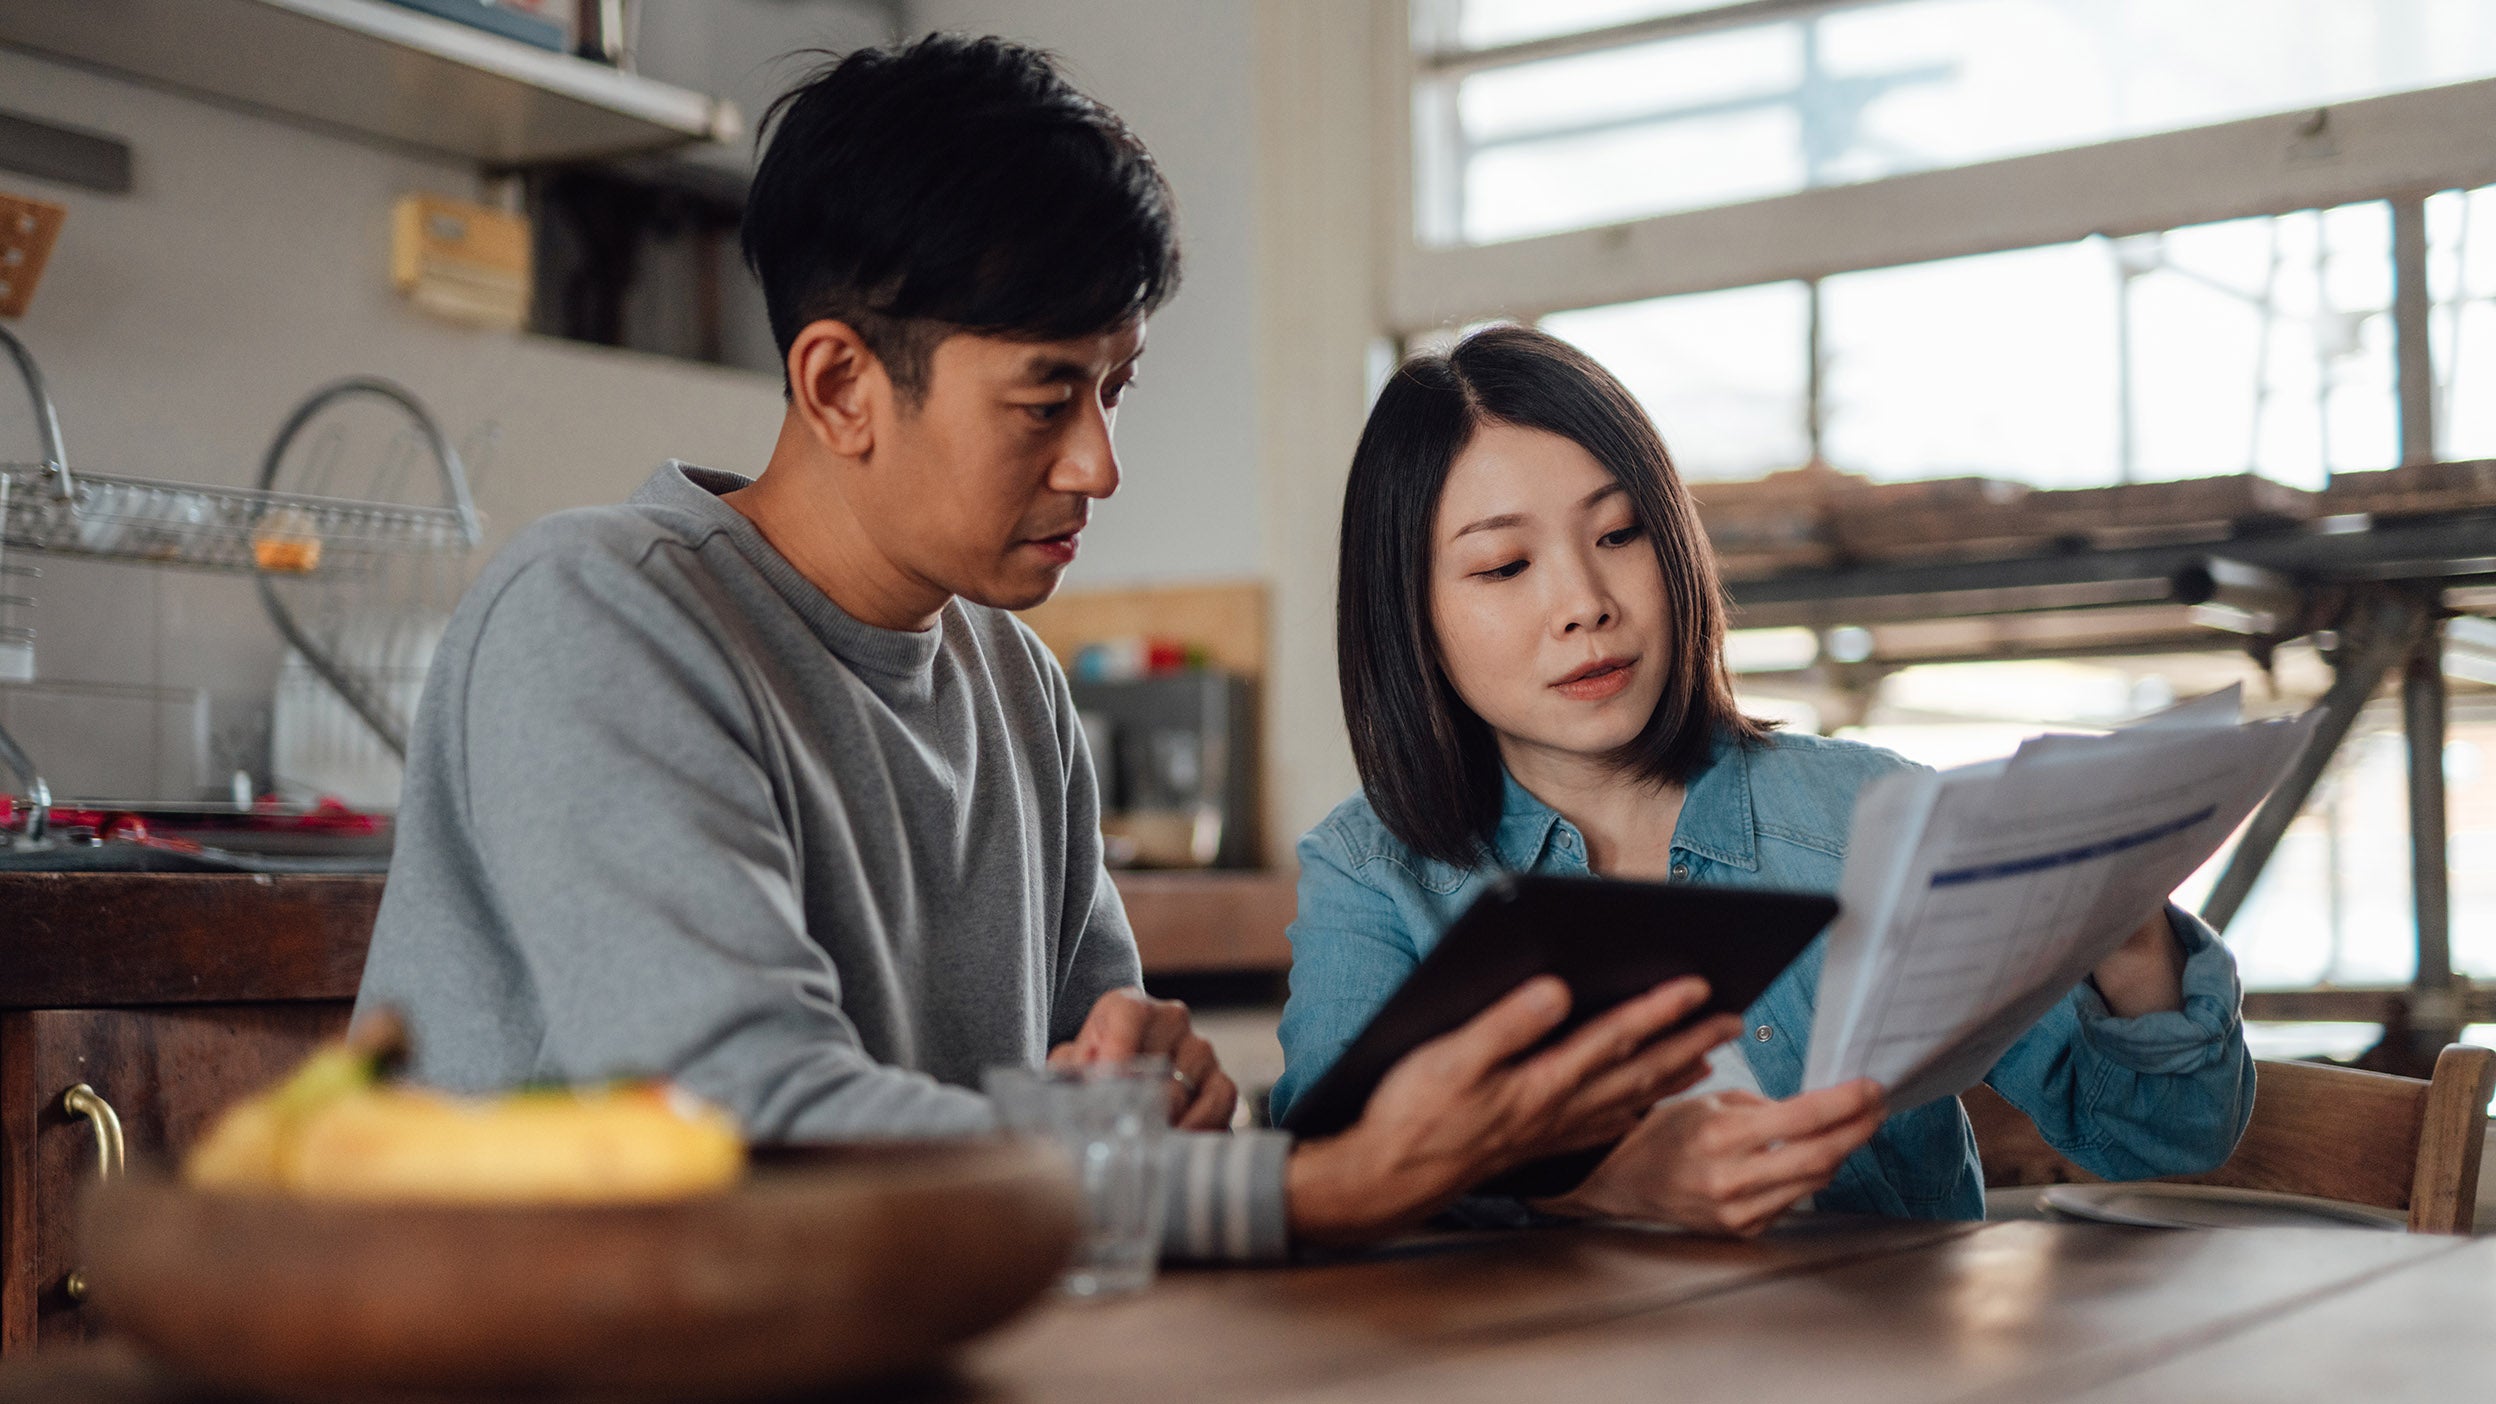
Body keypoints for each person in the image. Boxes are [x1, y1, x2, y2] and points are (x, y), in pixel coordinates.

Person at [354, 37, 1737, 1259]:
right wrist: (1307, 1190)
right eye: (1047, 397)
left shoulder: (1013, 685)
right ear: (841, 384)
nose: (1100, 462)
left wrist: (1162, 1089)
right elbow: (748, 1126)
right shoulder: (597, 614)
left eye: (1117, 386)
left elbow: (1103, 1085)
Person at [1268, 325, 2256, 1235]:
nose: (1584, 604)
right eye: (1504, 565)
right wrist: (1598, 1185)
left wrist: (2127, 937)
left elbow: (2164, 1141)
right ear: (1410, 617)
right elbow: (1328, 1192)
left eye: (1619, 535)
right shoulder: (1374, 874)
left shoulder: (1869, 820)